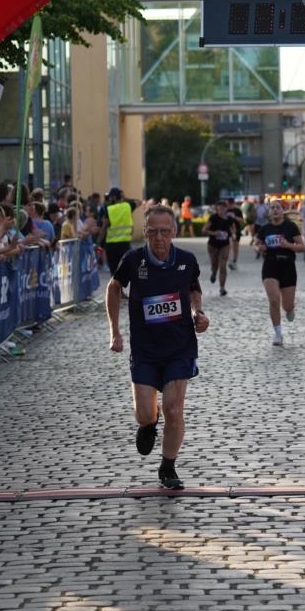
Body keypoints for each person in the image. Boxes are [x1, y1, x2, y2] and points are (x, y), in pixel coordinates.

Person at [106, 204, 209, 490]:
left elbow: (193, 288)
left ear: (174, 231)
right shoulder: (133, 260)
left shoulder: (186, 260)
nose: (159, 238)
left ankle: (168, 467)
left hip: (180, 346)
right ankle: (148, 425)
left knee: (174, 410)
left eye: (165, 232)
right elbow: (114, 289)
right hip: (145, 350)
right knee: (145, 413)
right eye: (153, 232)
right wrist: (114, 331)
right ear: (145, 231)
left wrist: (197, 313)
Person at [255, 200, 304, 346]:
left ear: (282, 211)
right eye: (272, 208)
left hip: (288, 267)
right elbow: (257, 245)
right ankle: (278, 334)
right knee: (274, 300)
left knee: (287, 306)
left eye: (278, 208)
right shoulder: (265, 229)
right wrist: (259, 248)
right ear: (269, 212)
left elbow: (302, 247)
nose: (275, 210)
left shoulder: (290, 227)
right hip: (270, 266)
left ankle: (290, 309)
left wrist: (288, 245)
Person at [101, 186, 142, 275]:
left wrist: (99, 241)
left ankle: (116, 288)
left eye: (111, 196)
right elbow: (139, 202)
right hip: (124, 245)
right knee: (125, 271)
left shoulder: (108, 209)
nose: (109, 198)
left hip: (111, 245)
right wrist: (125, 198)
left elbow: (104, 226)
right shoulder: (127, 206)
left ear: (114, 197)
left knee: (114, 273)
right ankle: (121, 287)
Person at [202, 199, 235, 296]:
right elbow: (204, 230)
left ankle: (222, 288)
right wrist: (214, 233)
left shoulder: (229, 219)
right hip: (212, 245)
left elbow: (232, 228)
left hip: (225, 244)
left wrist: (233, 234)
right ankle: (213, 272)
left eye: (223, 208)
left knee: (223, 265)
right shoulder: (213, 218)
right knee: (214, 263)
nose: (221, 210)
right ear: (217, 209)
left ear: (226, 209)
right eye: (220, 208)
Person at [225, 197, 244, 269]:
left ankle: (235, 261)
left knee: (235, 247)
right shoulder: (225, 210)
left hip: (237, 231)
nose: (228, 205)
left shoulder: (237, 210)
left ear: (232, 203)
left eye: (229, 203)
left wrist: (234, 217)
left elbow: (241, 220)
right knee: (229, 247)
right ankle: (230, 261)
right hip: (227, 231)